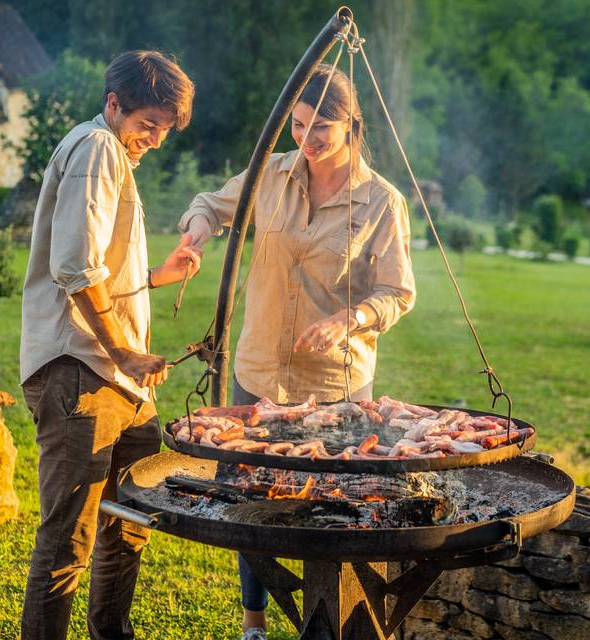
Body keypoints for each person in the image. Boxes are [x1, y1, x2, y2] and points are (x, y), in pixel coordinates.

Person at [178, 64, 416, 640]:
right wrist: (197, 230)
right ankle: (253, 624)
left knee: (331, 508)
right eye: (299, 125)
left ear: (352, 127)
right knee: (248, 502)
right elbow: (211, 203)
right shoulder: (272, 173)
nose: (306, 141)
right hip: (259, 372)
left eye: (320, 130)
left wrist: (350, 319)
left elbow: (398, 292)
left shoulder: (381, 201)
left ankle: (335, 619)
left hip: (334, 383)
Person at [19, 50, 198, 640]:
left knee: (134, 506)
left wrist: (155, 277)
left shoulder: (112, 154)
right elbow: (74, 268)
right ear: (114, 104)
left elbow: (103, 265)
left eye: (164, 129)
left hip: (118, 383)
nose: (155, 138)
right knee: (68, 534)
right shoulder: (96, 149)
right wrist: (123, 350)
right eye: (148, 123)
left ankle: (110, 632)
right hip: (80, 372)